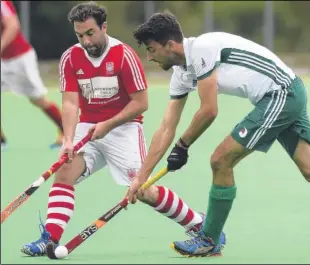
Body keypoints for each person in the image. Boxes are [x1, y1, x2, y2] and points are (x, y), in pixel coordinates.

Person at [21, 2, 205, 257]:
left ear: (103, 27)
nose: (85, 41)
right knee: (64, 170)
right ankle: (49, 238)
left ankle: (198, 223)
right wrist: (68, 140)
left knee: (143, 190)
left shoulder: (124, 55)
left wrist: (108, 125)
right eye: (79, 35)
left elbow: (141, 103)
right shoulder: (70, 58)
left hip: (123, 129)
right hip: (88, 129)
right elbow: (71, 102)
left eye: (90, 33)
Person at [127, 11, 310, 257]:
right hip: (282, 93)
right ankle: (210, 238)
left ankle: (209, 239)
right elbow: (165, 128)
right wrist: (142, 176)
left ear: (169, 45)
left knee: (221, 159)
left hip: (281, 93)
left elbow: (209, 110)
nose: (148, 57)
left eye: (151, 49)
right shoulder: (181, 74)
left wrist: (182, 146)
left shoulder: (202, 50)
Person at [0, 1, 64, 150]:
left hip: (19, 59)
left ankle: (66, 131)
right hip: (2, 61)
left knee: (38, 99)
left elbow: (12, 26)